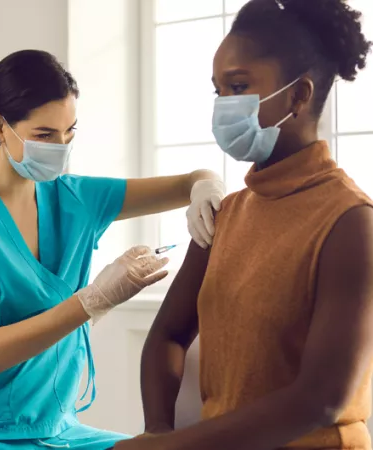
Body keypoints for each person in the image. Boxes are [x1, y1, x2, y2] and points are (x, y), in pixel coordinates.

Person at [0, 50, 226, 450]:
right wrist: (92, 300)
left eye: (70, 133)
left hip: (58, 428)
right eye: (45, 136)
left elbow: (191, 180)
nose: (61, 148)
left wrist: (207, 187)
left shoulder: (77, 197)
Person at [117, 0, 373, 449]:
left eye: (238, 86)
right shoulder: (226, 213)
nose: (223, 107)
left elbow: (323, 399)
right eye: (218, 91)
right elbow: (168, 335)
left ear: (298, 96)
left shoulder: (350, 223)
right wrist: (157, 428)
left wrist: (172, 447)